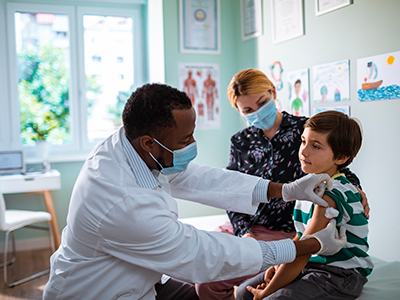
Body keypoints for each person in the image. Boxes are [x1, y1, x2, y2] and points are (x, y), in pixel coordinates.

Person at [43, 83, 346, 300]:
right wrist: (304, 246)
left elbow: (199, 179)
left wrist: (285, 189)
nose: (192, 146)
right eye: (185, 139)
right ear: (150, 143)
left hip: (139, 276)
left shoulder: (129, 143)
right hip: (99, 290)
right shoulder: (120, 202)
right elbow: (200, 253)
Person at [195, 69, 369, 300]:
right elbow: (232, 191)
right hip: (255, 228)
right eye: (248, 110)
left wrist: (357, 190)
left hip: (288, 232)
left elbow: (338, 169)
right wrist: (244, 232)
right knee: (206, 281)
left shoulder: (304, 129)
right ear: (239, 111)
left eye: (262, 102)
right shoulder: (240, 141)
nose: (257, 112)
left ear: (273, 92)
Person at [240, 111, 374, 300]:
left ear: (341, 158)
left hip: (339, 273)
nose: (304, 151)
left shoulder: (330, 196)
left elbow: (304, 250)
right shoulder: (307, 187)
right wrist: (277, 266)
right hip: (312, 264)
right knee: (241, 292)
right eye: (303, 141)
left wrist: (266, 292)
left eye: (316, 146)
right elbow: (300, 237)